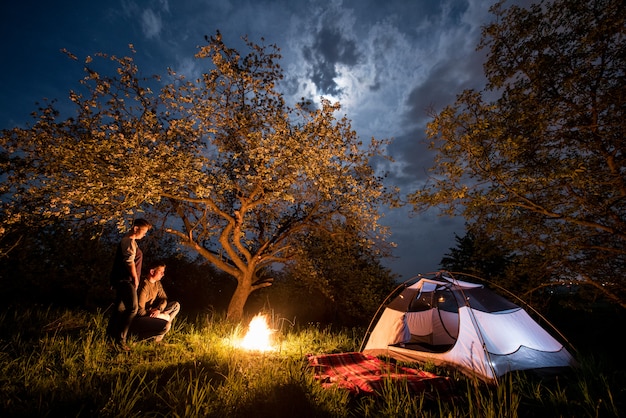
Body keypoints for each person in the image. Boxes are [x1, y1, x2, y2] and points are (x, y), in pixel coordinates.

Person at [106, 218, 152, 350]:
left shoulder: (131, 242)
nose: (145, 234)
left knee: (119, 310)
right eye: (144, 231)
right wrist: (135, 279)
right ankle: (121, 340)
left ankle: (110, 339)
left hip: (123, 280)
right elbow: (129, 261)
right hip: (126, 280)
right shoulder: (128, 241)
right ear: (136, 228)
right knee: (132, 308)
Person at [131, 261, 180, 342]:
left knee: (176, 305)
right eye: (161, 272)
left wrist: (159, 309)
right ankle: (143, 338)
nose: (163, 274)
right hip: (142, 317)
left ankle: (158, 334)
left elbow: (164, 298)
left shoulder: (157, 283)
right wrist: (153, 313)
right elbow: (139, 311)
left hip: (154, 312)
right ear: (152, 271)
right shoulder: (144, 286)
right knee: (166, 325)